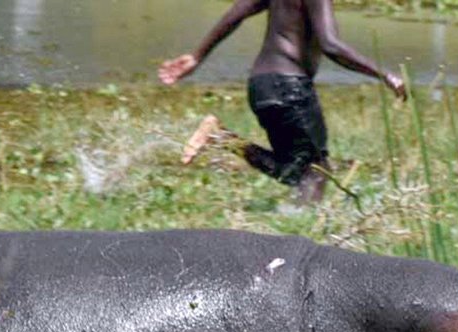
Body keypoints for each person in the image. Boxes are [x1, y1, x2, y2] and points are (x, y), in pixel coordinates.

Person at [158, 0, 407, 204]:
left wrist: (197, 55)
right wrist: (385, 75)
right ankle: (303, 235)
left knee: (295, 170)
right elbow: (330, 45)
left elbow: (237, 11)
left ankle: (220, 137)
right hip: (290, 87)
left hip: (261, 85)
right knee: (315, 172)